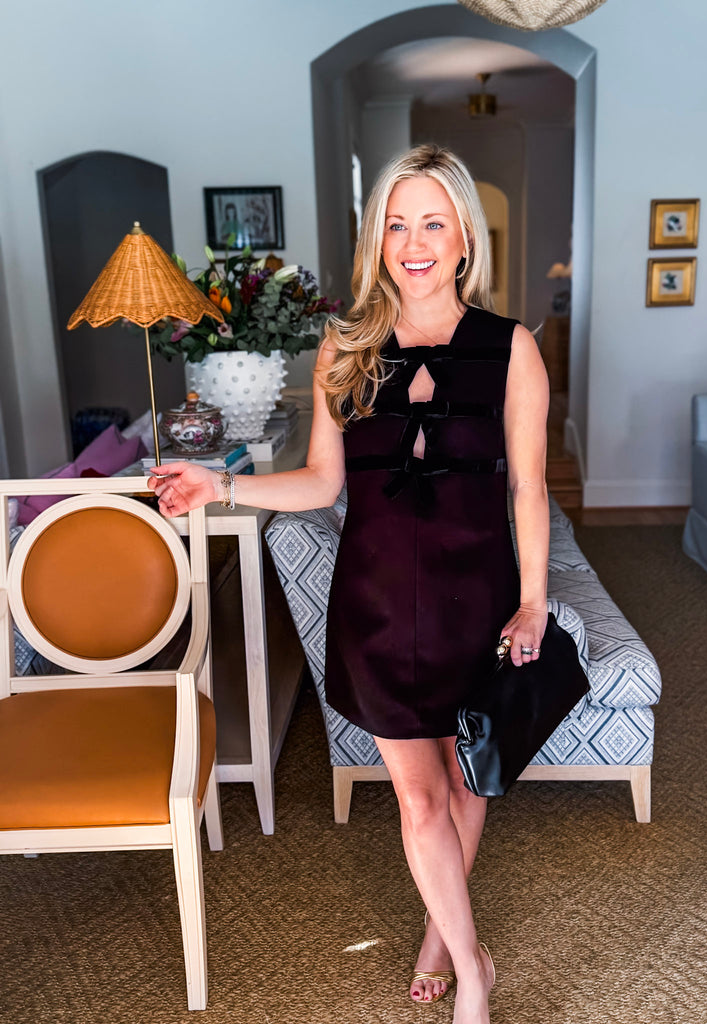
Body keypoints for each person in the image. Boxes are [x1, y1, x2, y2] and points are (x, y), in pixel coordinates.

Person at [149, 144, 550, 1024]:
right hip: (378, 604)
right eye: (397, 225)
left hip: (478, 599)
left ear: (464, 239)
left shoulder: (511, 349)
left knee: (467, 781)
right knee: (419, 796)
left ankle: (440, 934)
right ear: (378, 240)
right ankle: (473, 969)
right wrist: (221, 484)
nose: (414, 243)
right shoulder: (345, 346)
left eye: (433, 224)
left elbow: (529, 487)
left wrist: (532, 601)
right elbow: (323, 483)